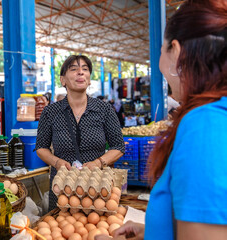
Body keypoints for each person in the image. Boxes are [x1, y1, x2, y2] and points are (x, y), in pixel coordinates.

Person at [96, 1, 227, 239]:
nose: (159, 64)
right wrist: (153, 233)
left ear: (175, 52)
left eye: (160, 50)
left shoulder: (204, 126)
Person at [35, 55, 125, 211]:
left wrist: (98, 163)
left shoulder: (104, 110)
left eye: (85, 69)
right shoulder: (51, 112)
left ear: (89, 79)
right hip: (62, 187)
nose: (80, 73)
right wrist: (57, 162)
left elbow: (118, 146)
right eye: (74, 69)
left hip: (97, 188)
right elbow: (41, 147)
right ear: (63, 80)